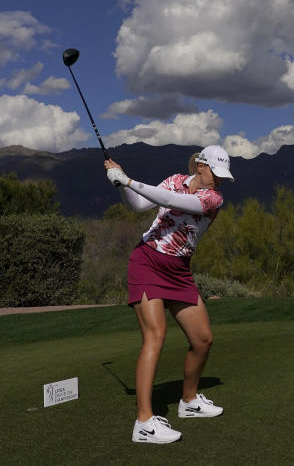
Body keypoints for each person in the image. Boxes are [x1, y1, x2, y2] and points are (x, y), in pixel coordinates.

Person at [104, 145, 234, 444]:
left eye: (224, 176)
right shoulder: (174, 179)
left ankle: (188, 402)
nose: (220, 180)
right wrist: (121, 183)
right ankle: (145, 422)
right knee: (155, 335)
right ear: (201, 166)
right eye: (216, 173)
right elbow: (137, 205)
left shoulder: (213, 198)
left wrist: (126, 179)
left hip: (178, 271)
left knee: (203, 340)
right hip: (147, 262)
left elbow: (170, 200)